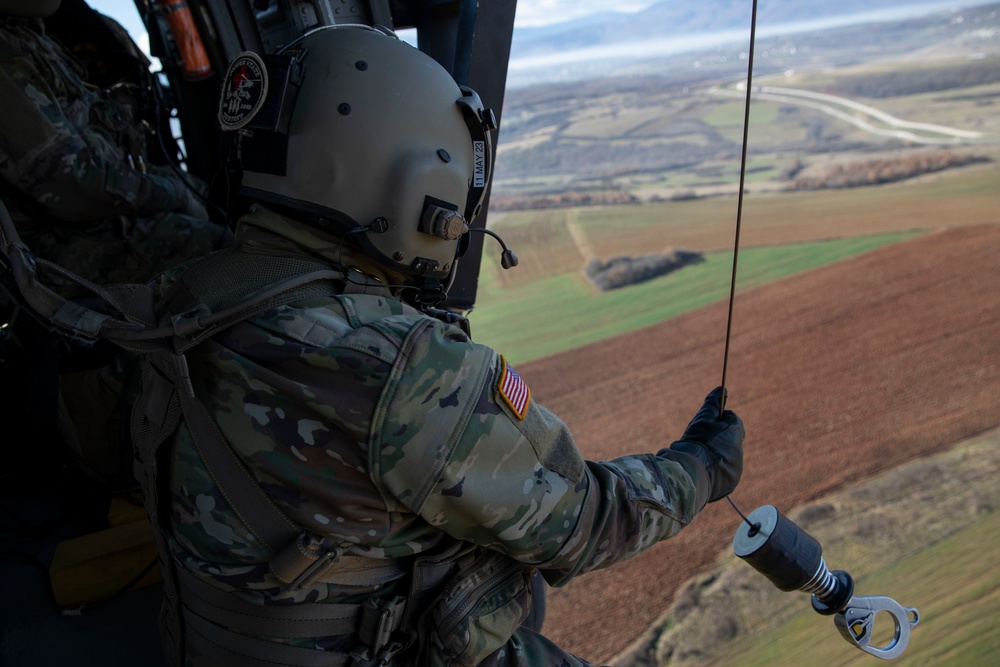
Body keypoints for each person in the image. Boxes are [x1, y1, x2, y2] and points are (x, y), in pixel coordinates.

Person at [130, 25, 745, 666]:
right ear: (412, 188)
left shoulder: (184, 293)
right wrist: (701, 468)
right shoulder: (399, 366)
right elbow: (586, 525)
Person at [0, 0, 232, 484]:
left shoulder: (38, 34)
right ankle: (111, 430)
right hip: (45, 251)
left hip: (84, 228)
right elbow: (70, 182)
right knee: (223, 259)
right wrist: (170, 194)